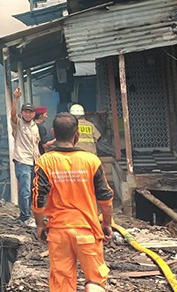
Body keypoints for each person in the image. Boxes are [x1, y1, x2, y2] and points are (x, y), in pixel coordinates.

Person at [33, 112, 114, 291]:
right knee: (95, 281)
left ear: (54, 132)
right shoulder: (91, 161)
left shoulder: (45, 162)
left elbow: (38, 199)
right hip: (87, 231)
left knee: (62, 283)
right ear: (76, 134)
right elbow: (106, 199)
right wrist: (107, 224)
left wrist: (40, 225)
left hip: (59, 233)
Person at [10, 88, 39, 227]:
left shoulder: (34, 126)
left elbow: (36, 146)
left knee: (34, 190)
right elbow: (13, 115)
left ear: (34, 114)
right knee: (25, 190)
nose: (28, 114)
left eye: (30, 112)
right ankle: (24, 217)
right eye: (25, 112)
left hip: (34, 162)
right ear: (22, 113)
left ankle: (30, 215)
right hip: (22, 161)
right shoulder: (19, 124)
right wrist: (15, 99)